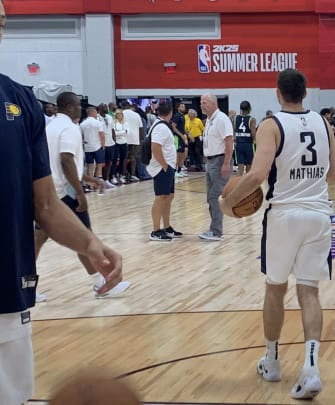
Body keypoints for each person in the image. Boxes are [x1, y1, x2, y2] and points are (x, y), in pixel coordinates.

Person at [0, 2, 124, 400]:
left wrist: (90, 244)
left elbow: (46, 205)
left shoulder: (18, 102)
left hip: (5, 292)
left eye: (2, 21)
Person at [219, 68, 335, 399]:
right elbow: (334, 172)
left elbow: (257, 173)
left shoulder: (272, 125)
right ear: (305, 93)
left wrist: (228, 201)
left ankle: (272, 361)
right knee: (309, 292)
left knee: (275, 289)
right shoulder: (323, 122)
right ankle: (311, 368)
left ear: (277, 93)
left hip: (284, 214)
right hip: (319, 214)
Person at [36, 92, 130, 298]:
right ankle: (104, 282)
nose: (81, 108)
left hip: (49, 192)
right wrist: (80, 193)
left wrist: (90, 179)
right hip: (66, 193)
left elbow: (62, 163)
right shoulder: (69, 128)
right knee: (85, 238)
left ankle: (26, 284)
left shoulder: (50, 127)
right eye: (78, 105)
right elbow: (66, 160)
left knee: (38, 239)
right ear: (69, 107)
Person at [199, 93, 233, 241]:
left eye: (204, 102)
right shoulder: (209, 120)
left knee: (215, 196)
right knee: (210, 197)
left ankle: (216, 231)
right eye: (201, 102)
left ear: (213, 104)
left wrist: (226, 163)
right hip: (211, 161)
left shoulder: (222, 119)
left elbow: (229, 141)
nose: (201, 105)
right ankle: (214, 229)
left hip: (220, 161)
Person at [148, 102, 182, 241]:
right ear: (171, 113)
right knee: (160, 197)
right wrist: (164, 166)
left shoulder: (162, 125)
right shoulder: (160, 127)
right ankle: (155, 230)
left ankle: (166, 227)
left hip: (168, 166)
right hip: (162, 167)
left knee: (168, 197)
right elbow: (155, 147)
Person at [234, 100, 257, 175]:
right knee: (249, 166)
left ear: (240, 109)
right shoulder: (251, 119)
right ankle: (248, 185)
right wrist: (258, 142)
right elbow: (253, 133)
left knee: (240, 167)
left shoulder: (235, 118)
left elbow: (233, 132)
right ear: (249, 109)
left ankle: (239, 184)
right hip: (248, 145)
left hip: (238, 144)